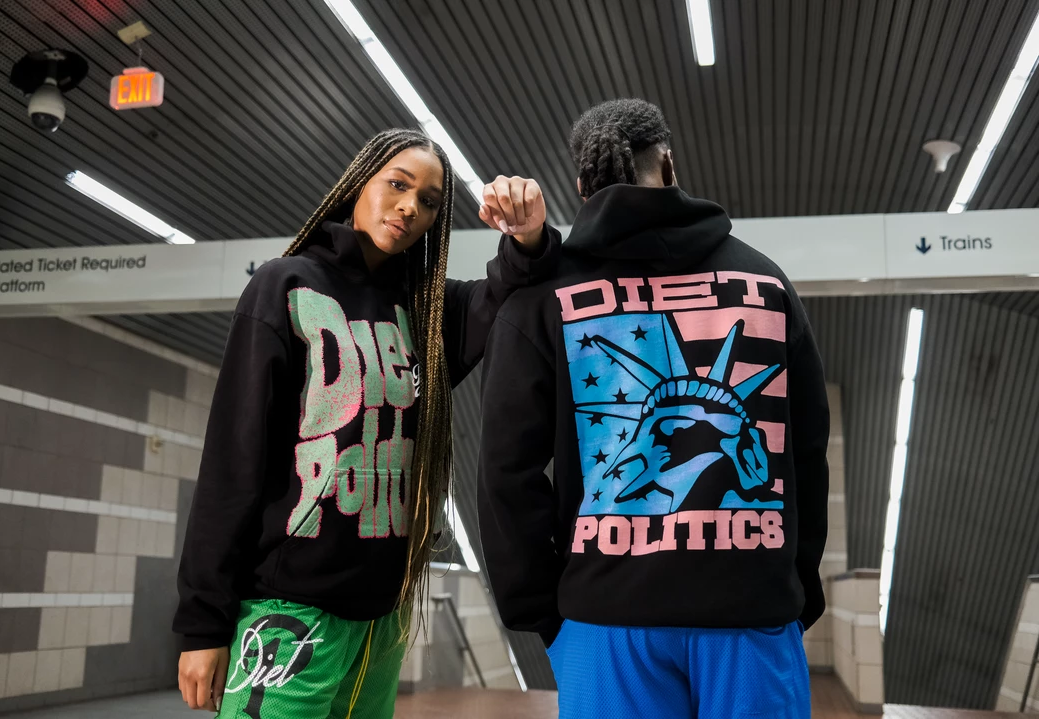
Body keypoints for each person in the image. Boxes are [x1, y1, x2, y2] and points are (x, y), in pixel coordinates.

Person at [174, 128, 560, 718]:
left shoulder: (430, 312)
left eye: (428, 201)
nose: (410, 207)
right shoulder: (284, 284)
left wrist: (527, 233)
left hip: (384, 619)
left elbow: (512, 284)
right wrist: (203, 624)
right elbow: (232, 462)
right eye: (397, 185)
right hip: (288, 613)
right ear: (358, 184)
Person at [477, 99, 830, 718]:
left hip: (606, 624)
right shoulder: (766, 283)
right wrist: (791, 587)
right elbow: (806, 450)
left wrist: (540, 612)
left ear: (582, 185)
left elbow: (506, 471)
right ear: (667, 164)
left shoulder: (542, 297)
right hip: (752, 614)